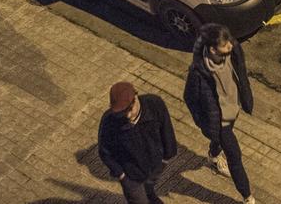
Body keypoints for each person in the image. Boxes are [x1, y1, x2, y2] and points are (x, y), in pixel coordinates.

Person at [183, 24, 258, 204]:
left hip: (234, 108)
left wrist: (246, 97)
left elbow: (241, 72)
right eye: (225, 45)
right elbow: (189, 98)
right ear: (213, 50)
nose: (231, 46)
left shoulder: (233, 50)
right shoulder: (198, 73)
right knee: (234, 156)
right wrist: (205, 123)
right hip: (219, 121)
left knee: (219, 140)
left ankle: (214, 155)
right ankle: (247, 197)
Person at [97, 80, 179, 204]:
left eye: (130, 109)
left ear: (135, 98)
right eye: (123, 112)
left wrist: (166, 157)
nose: (128, 116)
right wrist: (121, 175)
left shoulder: (154, 104)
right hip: (131, 175)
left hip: (156, 165)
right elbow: (105, 151)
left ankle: (149, 194)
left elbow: (167, 131)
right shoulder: (109, 121)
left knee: (149, 187)